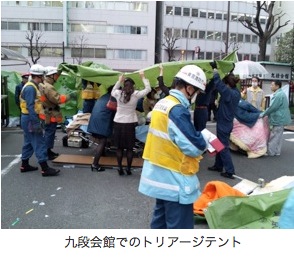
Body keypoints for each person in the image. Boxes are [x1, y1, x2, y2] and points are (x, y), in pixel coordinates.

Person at [138, 65, 208, 229]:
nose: (196, 96)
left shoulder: (162, 103)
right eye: (197, 92)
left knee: (160, 225)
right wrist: (204, 139)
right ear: (189, 89)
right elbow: (194, 147)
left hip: (160, 177)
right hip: (176, 180)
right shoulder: (177, 110)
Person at [19, 64, 60, 177]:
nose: (43, 78)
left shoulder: (30, 86)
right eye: (43, 76)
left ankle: (24, 164)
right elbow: (30, 107)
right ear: (40, 76)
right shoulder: (31, 88)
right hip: (30, 119)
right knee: (39, 142)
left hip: (27, 118)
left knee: (28, 143)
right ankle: (45, 169)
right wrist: (36, 123)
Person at [111, 71, 151, 175]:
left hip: (118, 123)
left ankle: (120, 168)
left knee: (119, 148)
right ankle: (128, 169)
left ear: (124, 85)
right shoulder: (136, 94)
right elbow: (148, 89)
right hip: (130, 124)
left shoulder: (118, 93)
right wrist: (143, 77)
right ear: (133, 86)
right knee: (129, 148)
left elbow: (113, 90)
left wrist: (119, 81)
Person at [207, 62, 241, 179]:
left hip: (223, 123)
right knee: (220, 144)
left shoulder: (228, 93)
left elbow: (218, 83)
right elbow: (228, 83)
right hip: (228, 122)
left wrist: (215, 69)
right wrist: (231, 70)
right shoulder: (236, 92)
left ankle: (230, 170)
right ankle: (218, 165)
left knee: (224, 147)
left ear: (227, 84)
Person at [38, 66, 73, 160]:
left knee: (48, 133)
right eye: (56, 75)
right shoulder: (49, 87)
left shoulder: (43, 84)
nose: (57, 77)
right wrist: (69, 96)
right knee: (49, 134)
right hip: (50, 114)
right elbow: (57, 99)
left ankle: (47, 151)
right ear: (51, 76)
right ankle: (47, 152)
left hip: (46, 112)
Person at [87, 85, 116, 172]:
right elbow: (115, 111)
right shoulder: (112, 98)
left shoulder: (104, 96)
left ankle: (102, 154)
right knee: (102, 141)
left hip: (94, 121)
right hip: (101, 121)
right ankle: (95, 164)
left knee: (101, 140)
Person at [259, 80, 292, 156]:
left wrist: (262, 114)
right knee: (278, 136)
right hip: (280, 118)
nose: (271, 86)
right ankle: (277, 151)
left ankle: (271, 152)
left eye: (272, 85)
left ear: (277, 86)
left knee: (274, 135)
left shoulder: (278, 95)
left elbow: (272, 108)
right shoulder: (280, 94)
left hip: (278, 118)